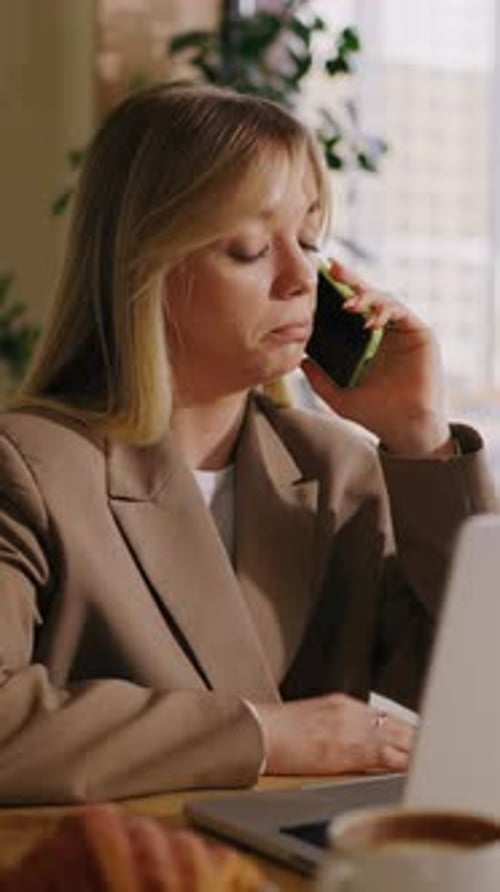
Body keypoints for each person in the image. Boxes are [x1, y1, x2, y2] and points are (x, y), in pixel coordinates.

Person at [0, 83, 495, 805]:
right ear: (147, 269)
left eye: (310, 241)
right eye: (251, 248)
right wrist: (265, 733)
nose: (302, 280)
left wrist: (418, 438)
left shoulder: (337, 471)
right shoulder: (29, 468)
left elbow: (476, 695)